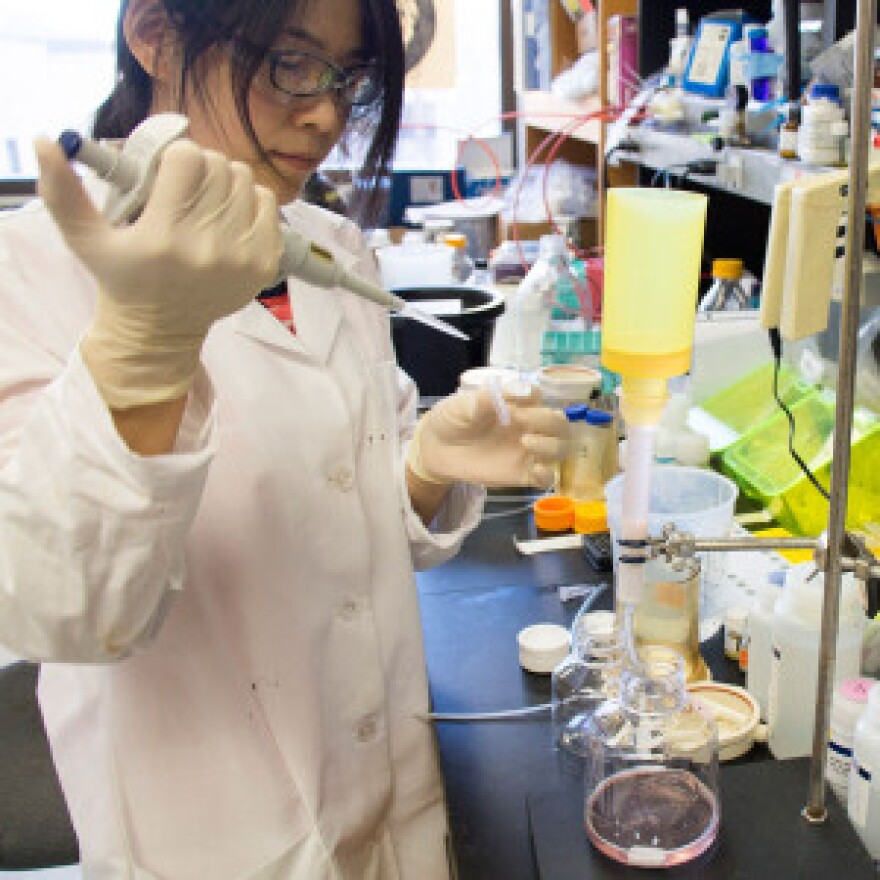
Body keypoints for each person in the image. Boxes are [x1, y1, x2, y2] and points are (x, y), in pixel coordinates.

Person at [0, 0, 567, 877]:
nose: (328, 115)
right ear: (154, 33)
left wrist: (416, 470)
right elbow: (63, 606)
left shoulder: (332, 244)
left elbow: (335, 507)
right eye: (291, 63)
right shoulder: (29, 272)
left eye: (350, 79)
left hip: (394, 806)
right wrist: (144, 352)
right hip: (214, 841)